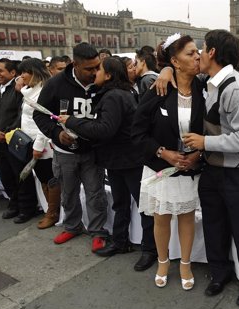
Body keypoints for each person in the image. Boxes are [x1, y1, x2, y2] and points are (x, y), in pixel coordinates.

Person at [181, 29, 239, 307]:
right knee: (214, 224)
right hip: (213, 169)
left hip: (237, 172)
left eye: (202, 50)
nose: (199, 56)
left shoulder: (236, 89)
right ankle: (220, 273)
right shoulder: (212, 82)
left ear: (213, 52)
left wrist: (205, 142)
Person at [61, 57, 157, 265]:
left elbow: (105, 129)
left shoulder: (114, 96)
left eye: (99, 69)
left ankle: (150, 249)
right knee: (121, 204)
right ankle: (121, 241)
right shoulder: (120, 92)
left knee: (143, 207)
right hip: (118, 159)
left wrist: (72, 121)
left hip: (128, 160)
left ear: (109, 75)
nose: (95, 73)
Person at [132, 35, 204, 289]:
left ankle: (185, 263)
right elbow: (137, 131)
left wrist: (199, 155)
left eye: (198, 52)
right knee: (161, 216)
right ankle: (163, 260)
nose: (197, 56)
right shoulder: (159, 89)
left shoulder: (204, 88)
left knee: (186, 216)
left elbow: (212, 130)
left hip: (191, 167)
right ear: (174, 60)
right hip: (160, 167)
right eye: (190, 53)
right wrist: (162, 152)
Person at [33, 43, 110, 255]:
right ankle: (72, 226)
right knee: (69, 193)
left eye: (97, 67)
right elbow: (40, 114)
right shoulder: (56, 84)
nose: (94, 72)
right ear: (75, 64)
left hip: (93, 152)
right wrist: (57, 134)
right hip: (64, 153)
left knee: (96, 194)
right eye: (89, 69)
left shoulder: (102, 83)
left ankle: (97, 231)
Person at [0, 58, 39, 223]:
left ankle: (28, 208)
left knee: (20, 175)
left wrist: (7, 132)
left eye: (0, 70)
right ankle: (14, 205)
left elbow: (22, 114)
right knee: (6, 174)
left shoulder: (20, 90)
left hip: (16, 141)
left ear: (13, 73)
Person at [16, 58, 60, 229]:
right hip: (29, 140)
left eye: (24, 72)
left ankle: (53, 213)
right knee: (42, 177)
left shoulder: (43, 91)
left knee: (49, 177)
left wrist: (38, 145)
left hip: (41, 143)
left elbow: (44, 122)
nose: (21, 76)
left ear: (34, 72)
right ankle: (50, 209)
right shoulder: (29, 90)